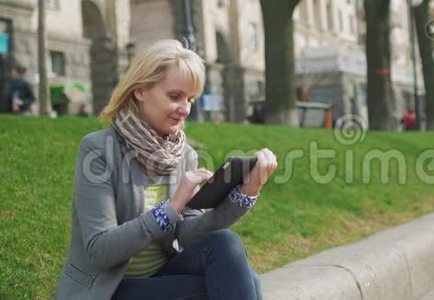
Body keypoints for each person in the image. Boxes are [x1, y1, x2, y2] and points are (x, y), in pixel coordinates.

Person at [55, 39, 277, 300]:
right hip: (109, 288)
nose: (185, 109)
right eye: (174, 96)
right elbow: (100, 250)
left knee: (226, 245)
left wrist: (247, 193)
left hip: (160, 277)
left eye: (190, 99)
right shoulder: (98, 150)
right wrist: (170, 209)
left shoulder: (184, 155)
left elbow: (189, 235)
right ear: (140, 91)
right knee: (237, 284)